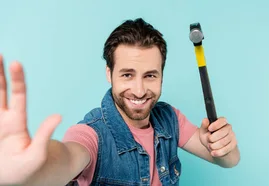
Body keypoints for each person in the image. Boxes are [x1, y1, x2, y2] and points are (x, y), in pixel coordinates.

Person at [0, 18, 241, 186]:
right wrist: (29, 172)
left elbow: (229, 161)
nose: (139, 90)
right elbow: (64, 158)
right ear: (109, 74)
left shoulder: (170, 119)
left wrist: (224, 145)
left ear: (161, 76)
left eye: (150, 75)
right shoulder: (91, 135)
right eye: (127, 74)